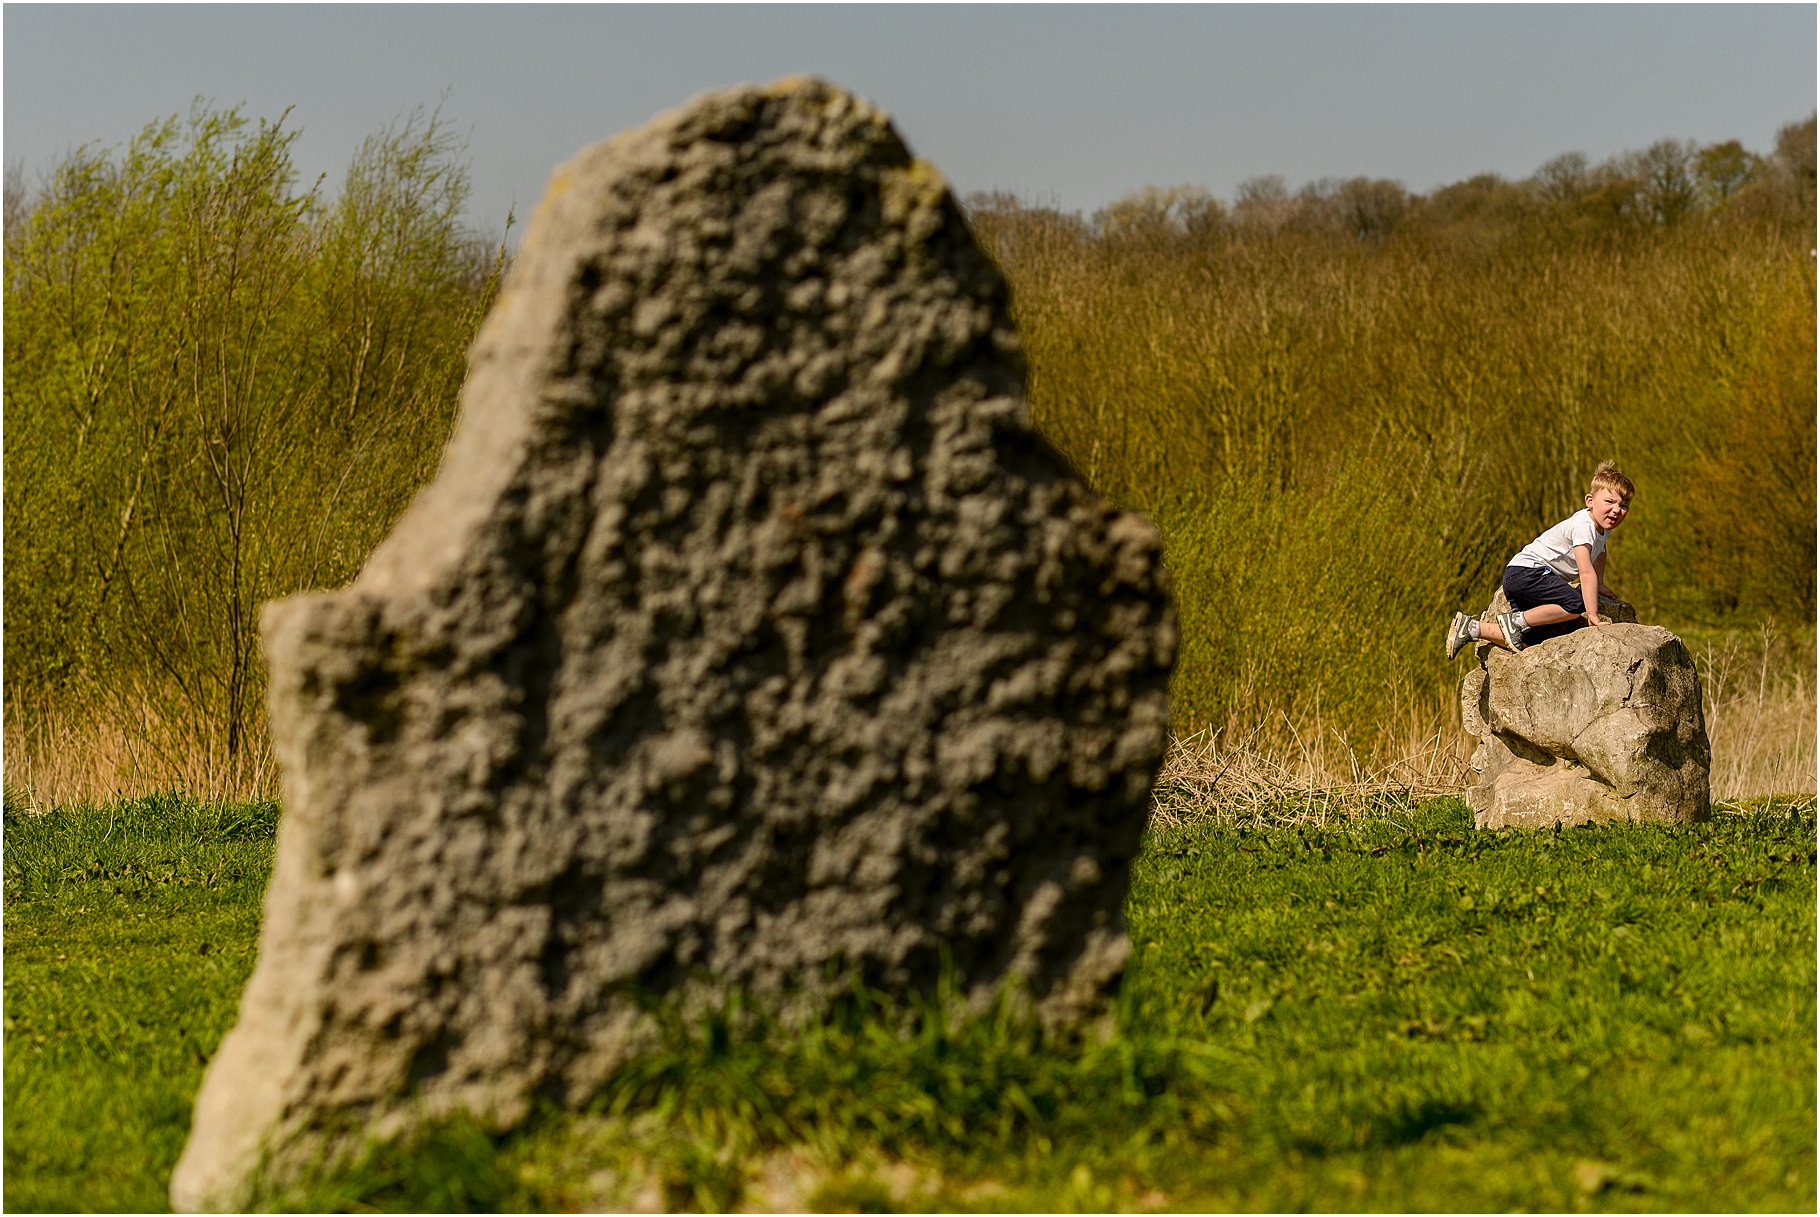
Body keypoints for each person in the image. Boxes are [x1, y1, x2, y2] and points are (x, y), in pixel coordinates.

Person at [1445, 462, 1633, 656]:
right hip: (1527, 573)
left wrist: (1600, 584)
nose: (1616, 510)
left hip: (1523, 578)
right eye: (1609, 502)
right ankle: (1516, 621)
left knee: (1532, 639)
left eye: (1623, 506)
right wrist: (1592, 615)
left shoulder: (1602, 529)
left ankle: (1471, 628)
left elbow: (1601, 552)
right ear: (1590, 501)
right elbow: (1586, 573)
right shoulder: (1584, 525)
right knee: (1575, 604)